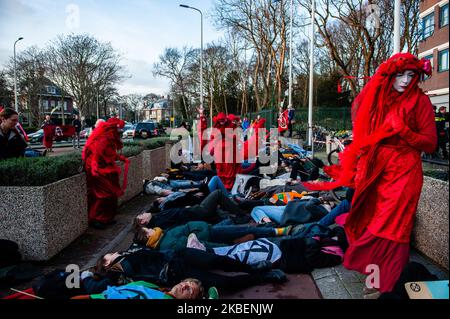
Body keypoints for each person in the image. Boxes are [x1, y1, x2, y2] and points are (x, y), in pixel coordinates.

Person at [303, 53, 437, 294]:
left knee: (395, 226)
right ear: (389, 77)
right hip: (378, 170)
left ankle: (386, 283)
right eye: (400, 75)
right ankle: (376, 279)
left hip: (405, 172)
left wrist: (404, 130)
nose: (406, 80)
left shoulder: (421, 102)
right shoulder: (381, 100)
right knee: (369, 218)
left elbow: (430, 143)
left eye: (411, 75)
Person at [82, 247, 287, 294]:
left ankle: (251, 266)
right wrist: (83, 276)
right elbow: (95, 287)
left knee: (216, 260)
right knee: (223, 283)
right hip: (176, 276)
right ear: (106, 264)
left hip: (177, 258)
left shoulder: (131, 251)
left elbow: (155, 252)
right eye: (109, 256)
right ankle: (262, 277)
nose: (114, 253)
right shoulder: (115, 276)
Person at [82, 117, 129, 229]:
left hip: (103, 168)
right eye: (119, 130)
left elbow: (108, 154)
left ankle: (106, 217)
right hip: (97, 170)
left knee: (111, 194)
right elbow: (96, 154)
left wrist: (121, 158)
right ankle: (97, 219)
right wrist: (94, 167)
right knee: (103, 194)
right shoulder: (104, 139)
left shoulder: (109, 138)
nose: (120, 132)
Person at [134, 221, 293, 251]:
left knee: (242, 230)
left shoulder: (163, 235)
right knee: (244, 230)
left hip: (209, 229)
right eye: (148, 230)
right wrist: (224, 248)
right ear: (147, 237)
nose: (151, 229)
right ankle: (278, 233)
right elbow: (197, 245)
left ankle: (273, 232)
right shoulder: (166, 243)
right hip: (210, 234)